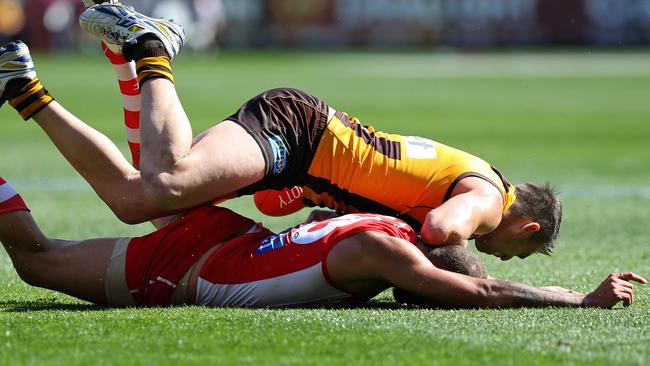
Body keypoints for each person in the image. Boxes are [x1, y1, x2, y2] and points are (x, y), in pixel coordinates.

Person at [1, 3, 557, 264]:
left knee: (144, 204)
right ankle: (150, 50)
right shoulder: (489, 199)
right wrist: (461, 273)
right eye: (518, 253)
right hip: (303, 133)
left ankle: (22, 87)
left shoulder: (480, 175)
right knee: (168, 185)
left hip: (305, 156)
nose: (506, 258)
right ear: (525, 227)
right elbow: (439, 228)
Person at [0, 177, 644, 309]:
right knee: (34, 262)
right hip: (192, 269)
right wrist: (576, 301)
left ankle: (32, 90)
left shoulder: (380, 222)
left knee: (138, 187)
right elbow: (480, 288)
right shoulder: (383, 251)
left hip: (232, 235)